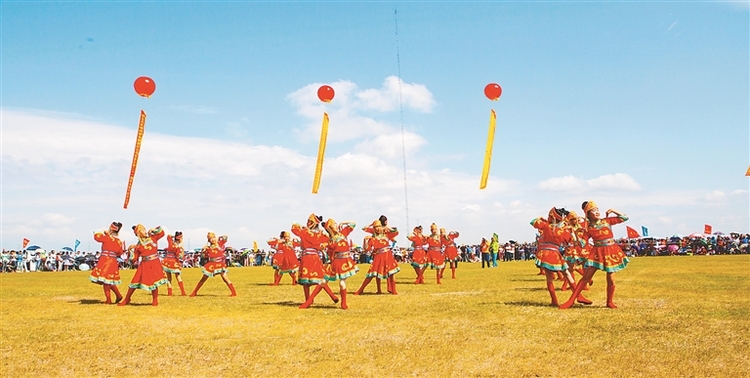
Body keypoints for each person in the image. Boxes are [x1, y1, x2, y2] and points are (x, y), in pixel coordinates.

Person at [560, 201, 630, 309]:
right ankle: (571, 300)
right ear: (588, 214)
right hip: (597, 252)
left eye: (597, 209)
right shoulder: (588, 228)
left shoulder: (607, 221)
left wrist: (613, 210)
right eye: (593, 210)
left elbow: (625, 217)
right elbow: (582, 243)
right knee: (586, 277)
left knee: (611, 279)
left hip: (611, 251)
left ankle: (609, 302)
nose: (597, 212)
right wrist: (573, 234)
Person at [531, 208, 591, 307]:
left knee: (549, 279)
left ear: (552, 217)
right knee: (567, 273)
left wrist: (540, 218)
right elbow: (571, 242)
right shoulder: (563, 230)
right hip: (556, 253)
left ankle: (554, 300)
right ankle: (578, 295)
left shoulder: (545, 226)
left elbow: (533, 222)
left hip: (545, 253)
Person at [293, 214, 339, 308]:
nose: (308, 223)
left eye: (310, 222)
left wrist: (303, 227)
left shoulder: (305, 231)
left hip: (309, 257)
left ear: (314, 224)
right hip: (313, 257)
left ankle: (310, 299)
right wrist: (324, 244)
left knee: (311, 280)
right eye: (308, 221)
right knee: (316, 280)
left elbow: (293, 227)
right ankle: (330, 296)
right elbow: (329, 239)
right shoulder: (319, 234)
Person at [119, 225, 169, 306]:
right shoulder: (138, 246)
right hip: (144, 265)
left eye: (145, 229)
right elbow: (133, 260)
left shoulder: (153, 237)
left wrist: (153, 229)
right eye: (142, 230)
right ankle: (127, 299)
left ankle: (155, 300)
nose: (145, 231)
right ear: (138, 233)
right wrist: (130, 251)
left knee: (154, 282)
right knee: (135, 281)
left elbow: (162, 232)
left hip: (154, 263)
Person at [355, 218, 400, 294]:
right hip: (378, 257)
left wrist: (387, 227)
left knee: (391, 273)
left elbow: (396, 232)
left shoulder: (386, 235)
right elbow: (366, 250)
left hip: (388, 256)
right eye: (375, 227)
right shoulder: (372, 239)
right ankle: (361, 289)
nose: (378, 228)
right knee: (372, 274)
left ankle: (394, 290)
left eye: (379, 226)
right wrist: (365, 241)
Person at [323, 218, 359, 309]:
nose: (335, 226)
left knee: (342, 282)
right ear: (330, 228)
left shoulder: (343, 233)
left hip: (346, 260)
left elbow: (353, 223)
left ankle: (344, 303)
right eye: (333, 225)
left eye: (335, 224)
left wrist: (343, 222)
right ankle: (341, 302)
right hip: (337, 261)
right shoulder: (330, 240)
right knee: (340, 282)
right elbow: (329, 253)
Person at [190, 232, 237, 297]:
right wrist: (203, 251)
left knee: (225, 278)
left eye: (213, 237)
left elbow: (226, 237)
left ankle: (233, 292)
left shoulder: (220, 244)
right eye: (210, 238)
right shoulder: (208, 248)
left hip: (220, 264)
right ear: (209, 240)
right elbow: (204, 257)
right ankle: (194, 292)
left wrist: (219, 238)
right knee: (203, 278)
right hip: (211, 265)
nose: (212, 239)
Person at [89, 222, 125, 304]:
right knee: (108, 280)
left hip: (105, 260)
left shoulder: (107, 238)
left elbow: (97, 237)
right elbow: (120, 252)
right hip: (113, 260)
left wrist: (101, 231)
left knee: (106, 281)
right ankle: (118, 295)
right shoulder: (119, 241)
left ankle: (108, 300)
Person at [162, 231, 187, 296]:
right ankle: (183, 292)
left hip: (167, 260)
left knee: (168, 278)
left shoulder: (171, 242)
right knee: (178, 276)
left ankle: (169, 292)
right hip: (174, 261)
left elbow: (168, 236)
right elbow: (180, 256)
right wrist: (182, 244)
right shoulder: (179, 246)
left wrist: (174, 236)